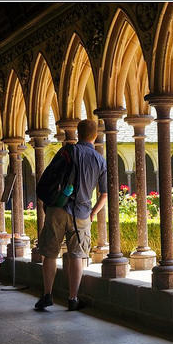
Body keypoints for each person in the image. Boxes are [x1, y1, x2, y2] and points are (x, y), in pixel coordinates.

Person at [34, 119, 108, 311]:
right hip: (82, 214)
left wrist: (49, 202)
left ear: (78, 133)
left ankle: (47, 295)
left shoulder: (67, 151)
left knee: (49, 253)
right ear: (95, 135)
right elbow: (105, 194)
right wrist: (92, 214)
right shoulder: (100, 160)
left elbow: (49, 177)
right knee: (77, 255)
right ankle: (73, 298)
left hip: (58, 208)